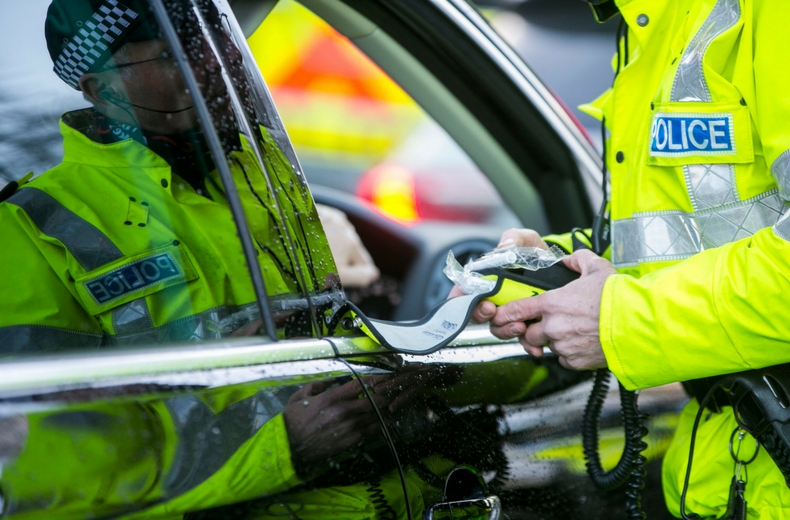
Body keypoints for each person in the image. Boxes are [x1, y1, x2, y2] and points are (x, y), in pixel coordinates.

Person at [469, 0, 790, 517]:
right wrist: (553, 271)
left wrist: (619, 318)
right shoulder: (654, 24)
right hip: (739, 464)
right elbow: (676, 243)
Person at [0, 0, 339, 353]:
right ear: (104, 91)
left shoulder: (258, 153)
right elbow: (56, 400)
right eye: (174, 54)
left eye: (217, 37)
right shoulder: (31, 225)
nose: (219, 60)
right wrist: (225, 380)